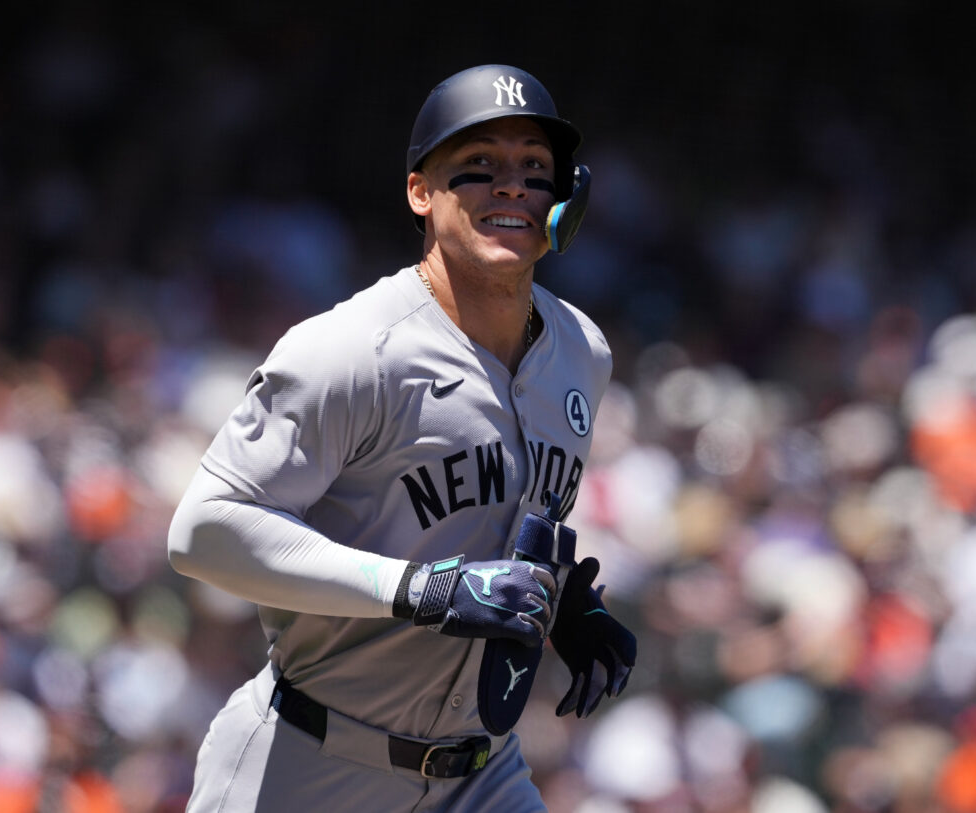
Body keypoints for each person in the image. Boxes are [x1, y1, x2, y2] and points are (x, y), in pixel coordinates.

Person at [167, 64, 636, 812]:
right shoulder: (351, 350)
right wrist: (418, 589)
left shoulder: (584, 351)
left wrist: (567, 601)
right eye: (478, 168)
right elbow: (203, 531)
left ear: (564, 199)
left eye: (534, 169)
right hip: (313, 761)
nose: (511, 187)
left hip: (484, 774)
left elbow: (505, 510)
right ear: (421, 192)